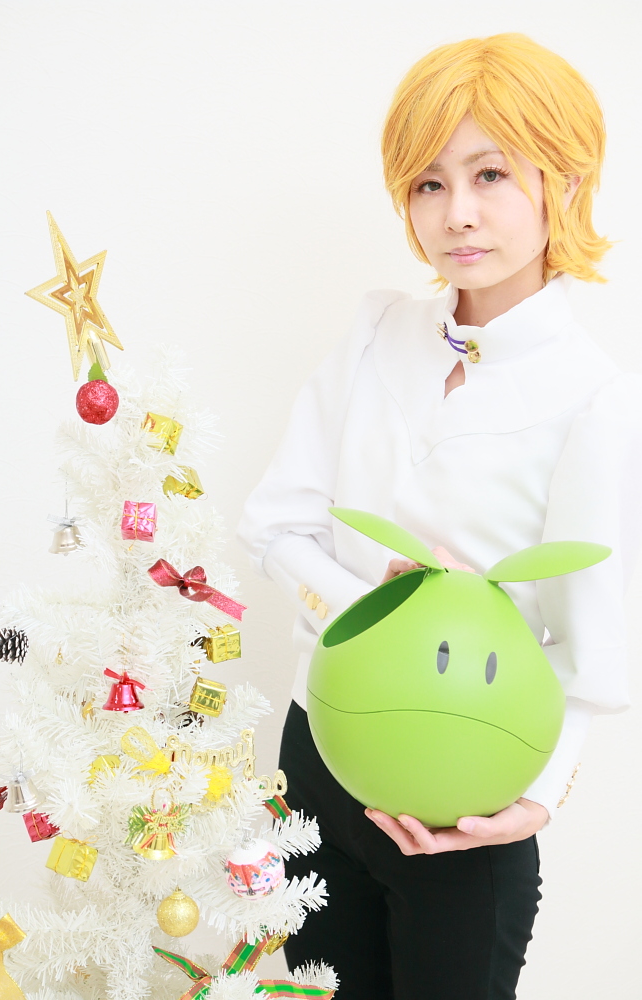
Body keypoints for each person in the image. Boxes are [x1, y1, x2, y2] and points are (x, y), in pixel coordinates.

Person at [236, 33, 642, 1000]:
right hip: (316, 757)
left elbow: (595, 652)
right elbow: (274, 523)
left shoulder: (591, 398)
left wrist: (535, 798)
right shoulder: (378, 333)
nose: (455, 212)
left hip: (464, 800)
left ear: (563, 180)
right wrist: (380, 611)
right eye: (427, 183)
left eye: (489, 174)